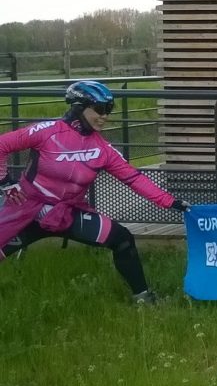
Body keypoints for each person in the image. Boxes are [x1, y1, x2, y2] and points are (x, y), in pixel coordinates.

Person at [0, 81, 189, 303]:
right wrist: (5, 181)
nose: (105, 116)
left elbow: (134, 178)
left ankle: (144, 299)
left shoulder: (102, 149)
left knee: (123, 239)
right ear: (79, 107)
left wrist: (171, 202)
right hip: (27, 210)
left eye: (108, 110)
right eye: (99, 109)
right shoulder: (47, 131)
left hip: (67, 213)